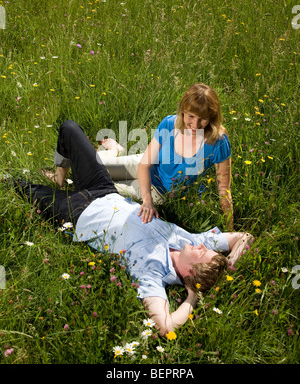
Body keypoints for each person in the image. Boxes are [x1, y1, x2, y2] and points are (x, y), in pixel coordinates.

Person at [12, 120, 254, 336]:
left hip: (77, 213)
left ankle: (47, 182)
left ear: (189, 274)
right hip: (104, 189)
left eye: (202, 253)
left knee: (18, 186)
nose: (202, 245)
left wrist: (192, 297)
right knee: (69, 128)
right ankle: (61, 176)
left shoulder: (152, 272)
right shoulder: (188, 240)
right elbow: (244, 237)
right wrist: (229, 263)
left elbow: (165, 326)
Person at [97, 83, 233, 230]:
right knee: (96, 167)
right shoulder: (170, 123)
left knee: (99, 185)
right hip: (143, 165)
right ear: (183, 112)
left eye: (203, 119)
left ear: (212, 117)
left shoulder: (217, 142)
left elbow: (224, 189)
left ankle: (117, 151)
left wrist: (230, 229)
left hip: (159, 190)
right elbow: (144, 164)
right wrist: (147, 200)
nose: (195, 124)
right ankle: (115, 150)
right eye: (191, 116)